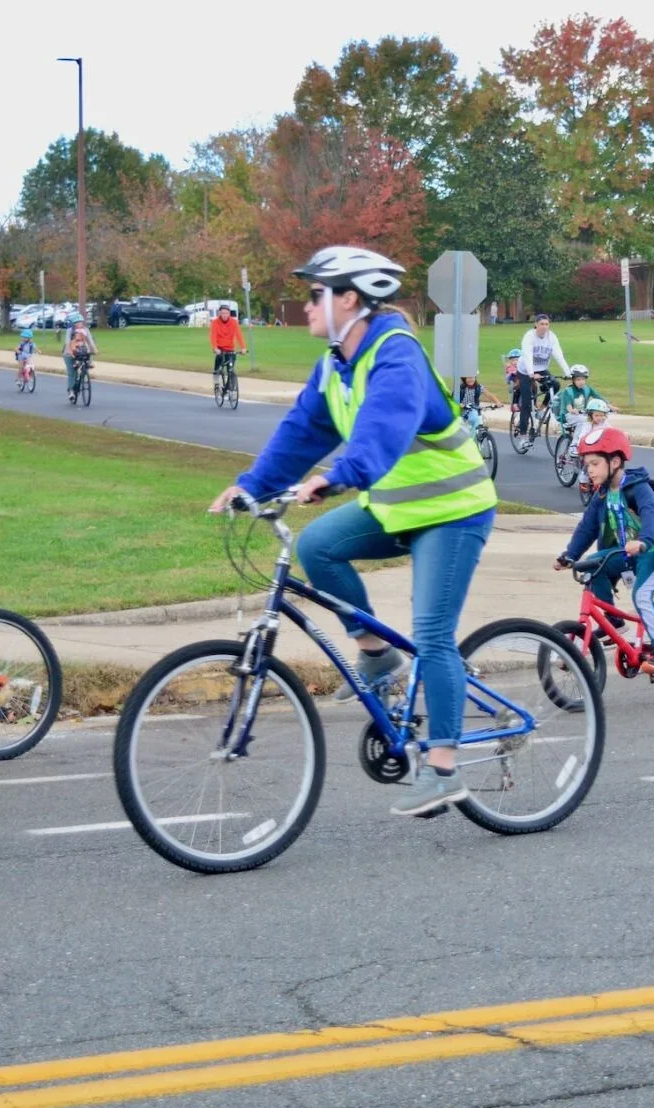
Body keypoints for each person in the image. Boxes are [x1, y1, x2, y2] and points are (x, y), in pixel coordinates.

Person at [208, 245, 497, 818]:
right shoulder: (335, 366)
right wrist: (252, 486)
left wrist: (339, 477)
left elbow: (383, 430)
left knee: (434, 634)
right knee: (318, 546)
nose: (307, 305)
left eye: (317, 294)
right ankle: (378, 656)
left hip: (453, 510)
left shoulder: (396, 356)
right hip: (396, 508)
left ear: (351, 300)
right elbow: (301, 433)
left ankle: (443, 770)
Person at [554, 425, 654, 675]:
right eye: (586, 464)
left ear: (614, 461)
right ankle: (615, 624)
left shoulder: (638, 487)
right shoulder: (601, 494)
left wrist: (643, 540)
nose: (588, 470)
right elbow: (587, 528)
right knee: (592, 567)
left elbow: (651, 515)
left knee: (642, 596)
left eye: (594, 464)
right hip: (625, 553)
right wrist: (569, 555)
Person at [515, 313, 570, 438]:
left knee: (555, 384)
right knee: (527, 403)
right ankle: (523, 435)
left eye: (546, 324)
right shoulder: (529, 336)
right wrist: (531, 373)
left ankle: (541, 409)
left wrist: (568, 372)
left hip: (542, 369)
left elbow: (558, 355)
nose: (544, 327)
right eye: (541, 324)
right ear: (536, 325)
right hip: (525, 370)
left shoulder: (551, 337)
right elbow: (528, 355)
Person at [552, 364, 595, 451]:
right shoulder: (568, 391)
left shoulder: (587, 389)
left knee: (596, 421)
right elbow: (568, 406)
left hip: (581, 414)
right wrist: (572, 410)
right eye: (578, 379)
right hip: (568, 415)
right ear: (573, 380)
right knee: (583, 422)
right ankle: (574, 446)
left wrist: (609, 406)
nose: (581, 382)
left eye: (583, 379)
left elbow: (598, 397)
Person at [62, 312, 97, 402]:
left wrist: (94, 350)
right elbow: (67, 343)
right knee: (72, 373)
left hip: (81, 351)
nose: (79, 324)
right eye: (77, 322)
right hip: (69, 353)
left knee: (87, 354)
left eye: (81, 322)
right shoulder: (70, 331)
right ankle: (71, 391)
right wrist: (70, 352)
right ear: (74, 323)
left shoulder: (85, 330)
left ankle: (86, 368)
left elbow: (90, 340)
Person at [209, 304, 246, 376]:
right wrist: (215, 348)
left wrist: (243, 348)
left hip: (230, 348)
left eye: (226, 313)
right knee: (217, 368)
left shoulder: (234, 322)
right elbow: (213, 336)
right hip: (219, 348)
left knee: (231, 369)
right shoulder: (215, 322)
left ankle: (231, 384)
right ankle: (216, 382)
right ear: (219, 313)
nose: (224, 315)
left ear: (229, 313)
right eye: (222, 313)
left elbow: (239, 335)